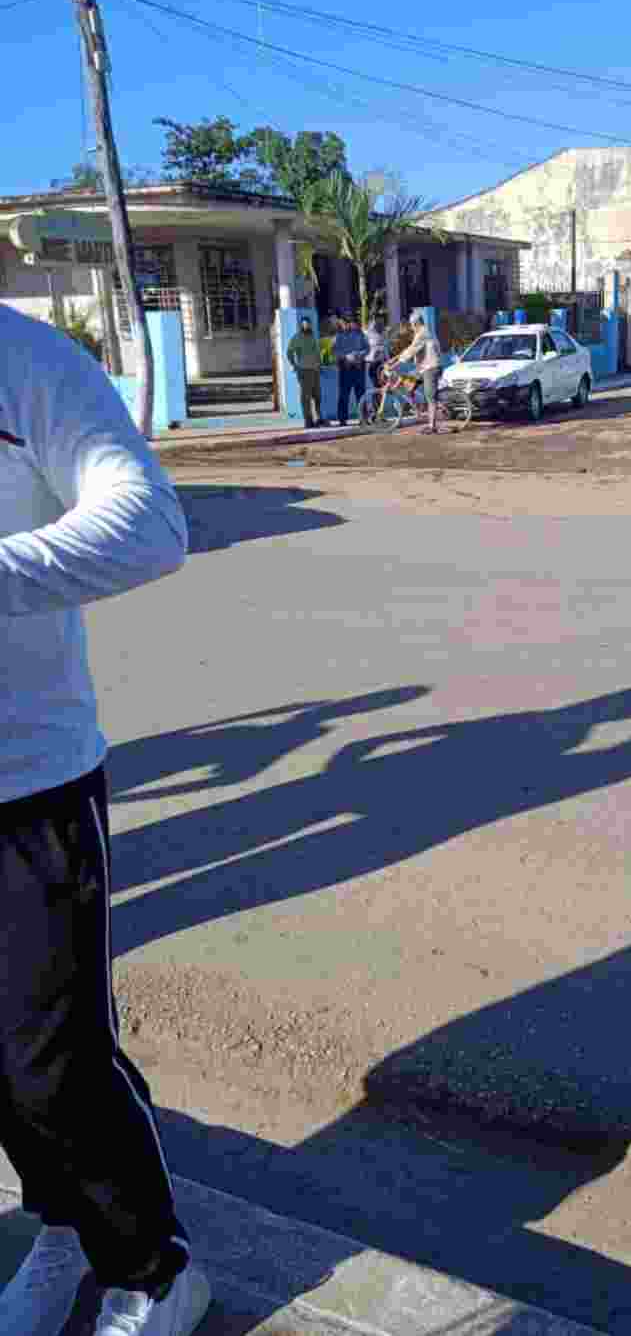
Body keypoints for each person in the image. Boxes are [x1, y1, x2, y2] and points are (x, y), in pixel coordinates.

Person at [0, 307, 209, 1335]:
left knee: (54, 1065)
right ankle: (61, 1227)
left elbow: (149, 522)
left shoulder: (24, 359)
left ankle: (153, 1270)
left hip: (27, 782)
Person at [387, 310, 442, 434]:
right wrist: (394, 358)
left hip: (430, 367)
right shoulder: (422, 333)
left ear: (416, 323)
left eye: (412, 325)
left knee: (430, 397)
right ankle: (419, 411)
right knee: (407, 384)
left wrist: (395, 364)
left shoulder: (423, 332)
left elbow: (412, 350)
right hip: (422, 367)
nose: (412, 328)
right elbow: (411, 348)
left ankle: (432, 426)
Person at [286, 316, 323, 429]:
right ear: (301, 325)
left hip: (315, 370)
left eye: (308, 324)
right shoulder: (297, 337)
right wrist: (295, 365)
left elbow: (316, 352)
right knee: (305, 397)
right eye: (304, 324)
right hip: (304, 371)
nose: (306, 325)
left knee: (317, 396)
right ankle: (308, 421)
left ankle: (318, 419)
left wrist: (319, 364)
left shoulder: (312, 336)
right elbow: (289, 352)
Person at [333, 313, 370, 425]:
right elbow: (334, 351)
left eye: (348, 323)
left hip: (359, 368)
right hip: (345, 369)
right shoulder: (338, 336)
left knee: (361, 394)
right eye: (344, 323)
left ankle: (363, 418)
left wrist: (359, 355)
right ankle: (342, 419)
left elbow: (367, 348)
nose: (346, 325)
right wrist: (345, 357)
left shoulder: (359, 334)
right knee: (343, 394)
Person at [365, 317, 389, 390]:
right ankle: (377, 398)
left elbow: (384, 347)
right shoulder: (370, 333)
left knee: (380, 383)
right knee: (376, 383)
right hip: (373, 361)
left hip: (380, 361)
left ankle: (379, 397)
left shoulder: (383, 334)